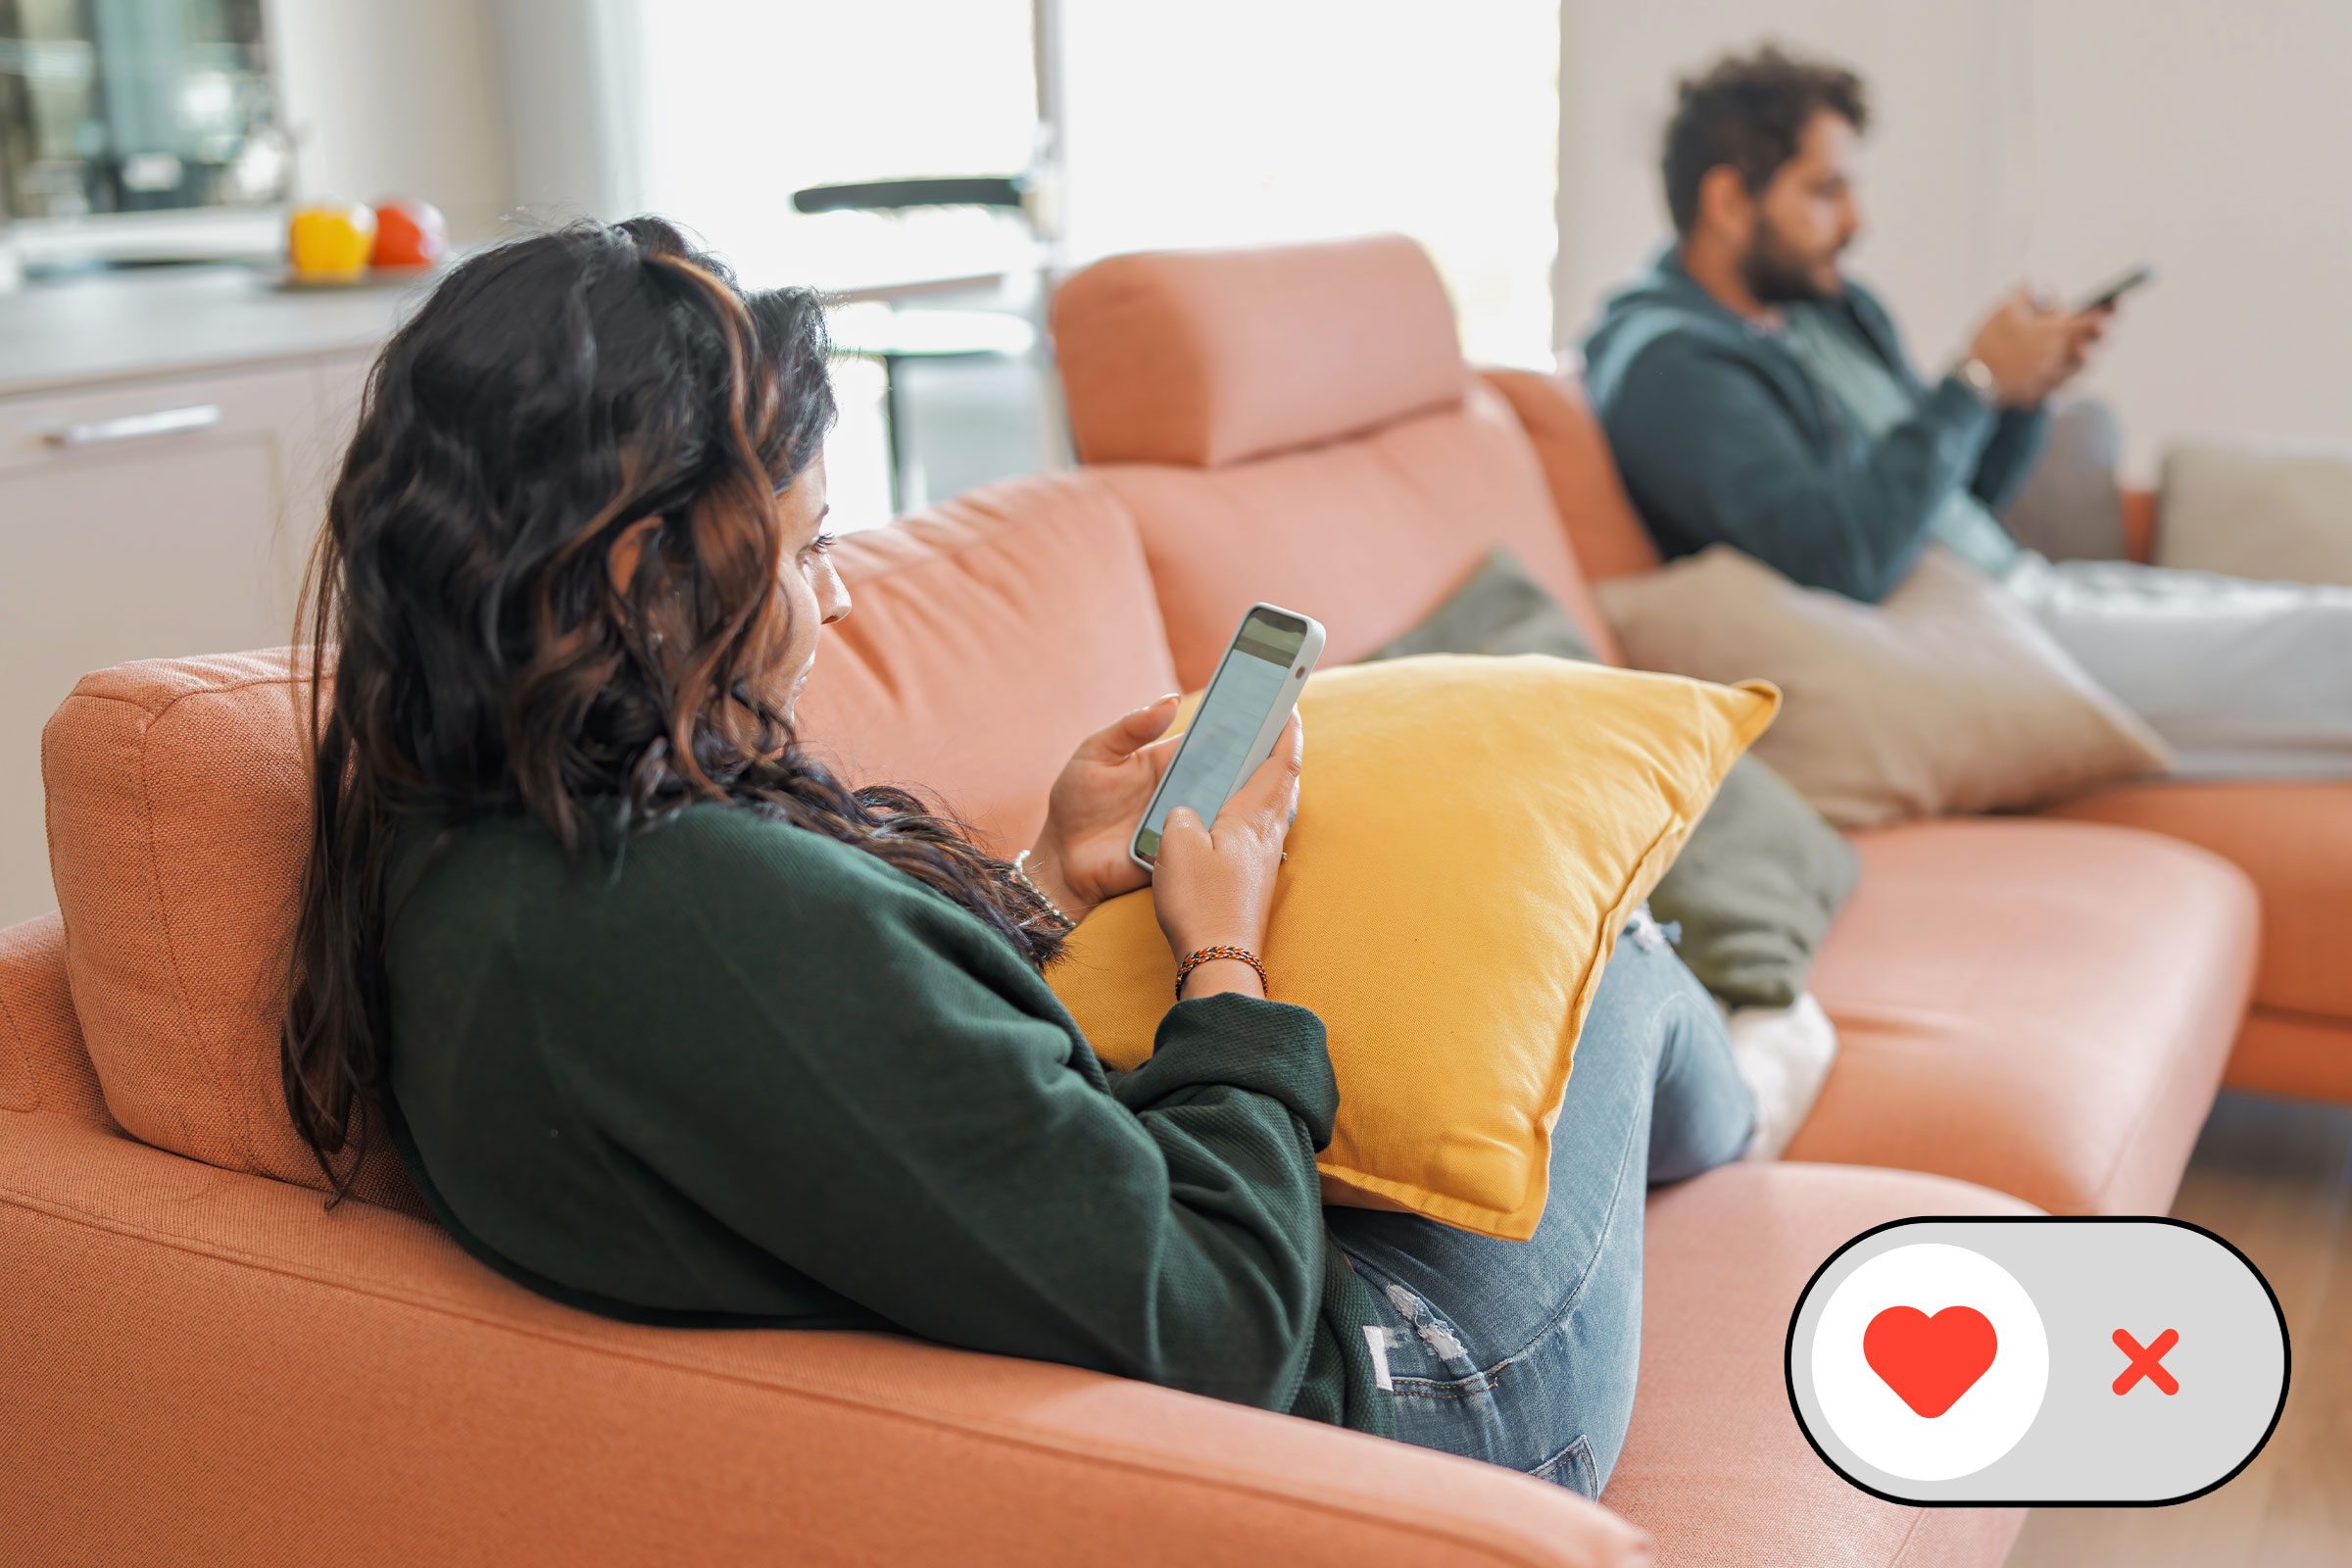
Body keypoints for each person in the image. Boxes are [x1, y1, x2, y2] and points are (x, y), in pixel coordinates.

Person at [276, 218, 1755, 1497]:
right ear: (630, 572)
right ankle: (1747, 1100)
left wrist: (1044, 876)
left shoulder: (455, 845)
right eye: (802, 549)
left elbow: (883, 1107)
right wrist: (1219, 959)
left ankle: (1730, 1098)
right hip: (1387, 1400)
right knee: (1598, 944)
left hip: (1145, 1293)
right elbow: (1231, 1324)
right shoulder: (698, 922)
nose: (835, 600)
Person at [1582, 44, 2352, 779]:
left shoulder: (1827, 310)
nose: (1856, 222)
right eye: (1825, 191)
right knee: (2333, 648)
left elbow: (1949, 502)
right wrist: (1973, 381)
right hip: (1975, 646)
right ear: (1726, 201)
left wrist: (2020, 395)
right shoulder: (1669, 366)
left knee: (2315, 612)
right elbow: (1837, 560)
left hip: (2020, 588)